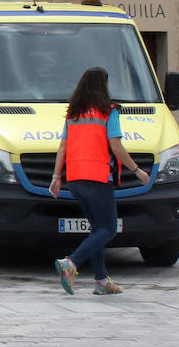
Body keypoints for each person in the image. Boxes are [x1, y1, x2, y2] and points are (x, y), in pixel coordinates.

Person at [49, 66, 150, 295]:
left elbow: (63, 146)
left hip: (74, 179)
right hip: (97, 177)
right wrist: (136, 170)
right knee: (108, 228)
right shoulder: (109, 111)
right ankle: (71, 263)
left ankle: (101, 281)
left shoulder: (73, 113)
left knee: (97, 229)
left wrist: (56, 177)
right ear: (102, 86)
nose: (109, 86)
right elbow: (116, 145)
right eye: (108, 82)